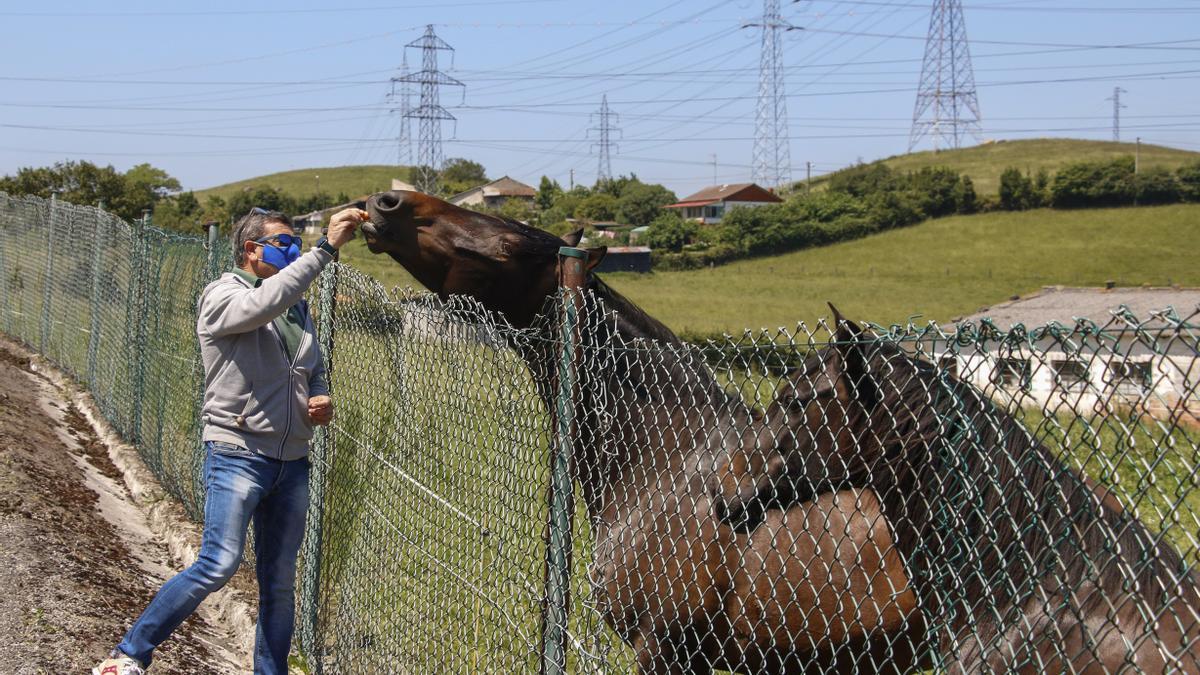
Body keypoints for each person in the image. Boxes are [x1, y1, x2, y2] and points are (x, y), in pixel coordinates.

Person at [93, 207, 364, 675]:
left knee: (279, 584)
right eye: (283, 243)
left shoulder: (296, 307)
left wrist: (319, 396)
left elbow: (312, 364)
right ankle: (128, 656)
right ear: (251, 250)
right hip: (238, 452)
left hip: (292, 460)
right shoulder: (222, 295)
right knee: (218, 564)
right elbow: (265, 304)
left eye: (296, 242)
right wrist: (324, 249)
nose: (293, 249)